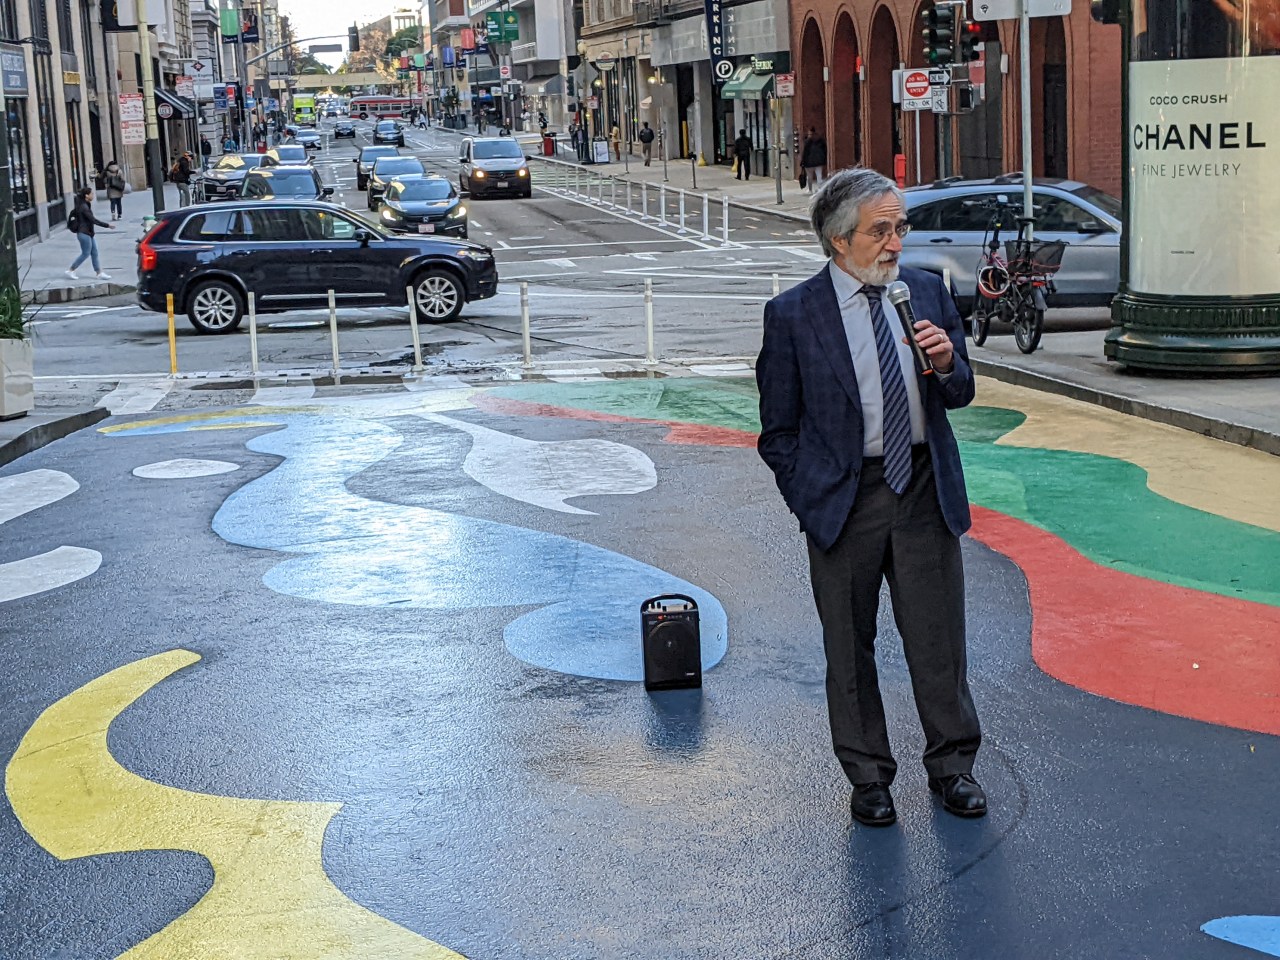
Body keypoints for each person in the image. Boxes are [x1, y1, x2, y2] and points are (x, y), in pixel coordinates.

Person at [755, 167, 984, 828]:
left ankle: (953, 769)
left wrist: (946, 365)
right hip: (844, 499)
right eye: (880, 230)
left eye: (900, 227)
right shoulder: (794, 315)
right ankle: (869, 777)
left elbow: (960, 391)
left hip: (923, 491)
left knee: (939, 644)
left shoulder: (928, 295)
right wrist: (811, 499)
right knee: (848, 648)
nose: (895, 243)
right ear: (838, 240)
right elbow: (779, 432)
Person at [65, 184, 115, 281]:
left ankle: (99, 273)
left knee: (94, 252)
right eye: (91, 194)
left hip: (88, 233)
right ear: (86, 196)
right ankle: (71, 270)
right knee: (86, 253)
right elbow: (93, 220)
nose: (93, 195)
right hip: (83, 233)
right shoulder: (84, 207)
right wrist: (107, 225)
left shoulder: (85, 204)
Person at [802, 127, 828, 193]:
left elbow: (805, 153)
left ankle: (810, 190)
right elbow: (825, 151)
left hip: (809, 163)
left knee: (809, 177)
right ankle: (820, 189)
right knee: (819, 176)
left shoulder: (807, 141)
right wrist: (824, 160)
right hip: (819, 162)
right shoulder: (821, 140)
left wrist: (803, 162)